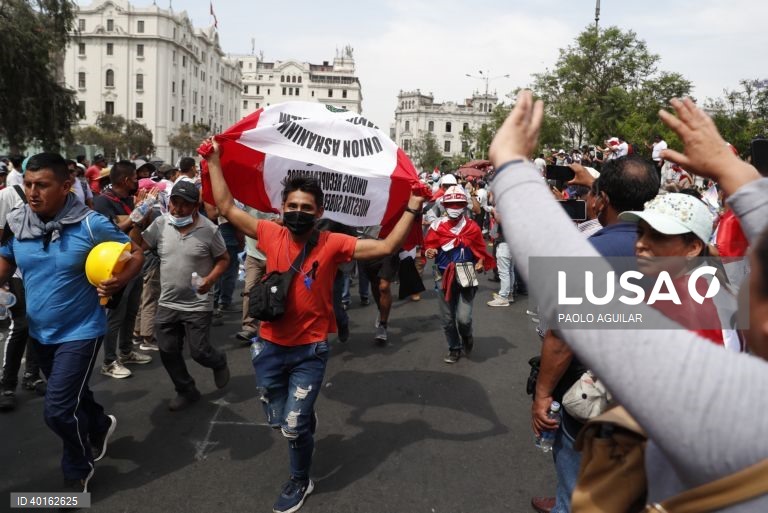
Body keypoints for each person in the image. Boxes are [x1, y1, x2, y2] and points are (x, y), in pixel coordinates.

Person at [490, 91, 768, 511]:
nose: (642, 246)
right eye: (641, 232)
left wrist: (511, 165)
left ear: (693, 247)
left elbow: (571, 292)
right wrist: (733, 171)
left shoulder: (707, 352)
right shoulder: (714, 290)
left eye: (658, 236)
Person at [204, 138, 425, 513]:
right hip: (268, 348)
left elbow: (386, 247)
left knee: (292, 426)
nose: (298, 212)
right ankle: (302, 420)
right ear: (281, 207)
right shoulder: (270, 233)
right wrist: (212, 160)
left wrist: (412, 207)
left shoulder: (334, 243)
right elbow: (225, 206)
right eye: (292, 206)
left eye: (306, 208)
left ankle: (299, 479)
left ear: (319, 210)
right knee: (279, 420)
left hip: (310, 350)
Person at [0, 152, 144, 491]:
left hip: (81, 330)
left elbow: (135, 253)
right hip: (40, 332)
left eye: (43, 186)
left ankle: (78, 467)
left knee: (58, 410)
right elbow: (5, 260)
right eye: (29, 185)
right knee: (73, 397)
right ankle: (99, 424)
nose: (33, 193)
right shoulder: (18, 221)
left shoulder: (91, 224)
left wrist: (119, 280)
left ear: (66, 186)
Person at [530, 155, 660, 513]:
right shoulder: (680, 247)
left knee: (576, 491)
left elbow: (561, 337)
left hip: (595, 397)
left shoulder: (588, 252)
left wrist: (542, 394)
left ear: (601, 199)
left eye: (591, 195)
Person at [140, 180, 231, 411]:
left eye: (184, 205)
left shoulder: (209, 230)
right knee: (168, 350)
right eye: (174, 203)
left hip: (198, 304)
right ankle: (186, 390)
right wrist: (137, 218)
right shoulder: (160, 224)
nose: (177, 209)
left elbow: (224, 259)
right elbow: (137, 245)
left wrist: (209, 280)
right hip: (168, 302)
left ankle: (218, 361)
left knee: (199, 352)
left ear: (195, 207)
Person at [93, 161, 153, 379]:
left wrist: (144, 210)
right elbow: (112, 231)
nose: (137, 181)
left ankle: (126, 351)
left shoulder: (130, 199)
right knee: (115, 315)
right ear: (126, 180)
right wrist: (136, 214)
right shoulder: (103, 202)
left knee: (131, 311)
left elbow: (140, 227)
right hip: (117, 266)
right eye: (135, 178)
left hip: (135, 262)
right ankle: (109, 361)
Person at [424, 185, 494, 363]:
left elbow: (481, 252)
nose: (455, 207)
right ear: (445, 205)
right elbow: (428, 247)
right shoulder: (436, 226)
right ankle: (454, 348)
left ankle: (467, 336)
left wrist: (479, 263)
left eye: (459, 203)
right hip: (442, 275)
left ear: (465, 204)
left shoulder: (472, 228)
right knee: (447, 319)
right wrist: (429, 252)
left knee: (463, 318)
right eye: (451, 203)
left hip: (466, 275)